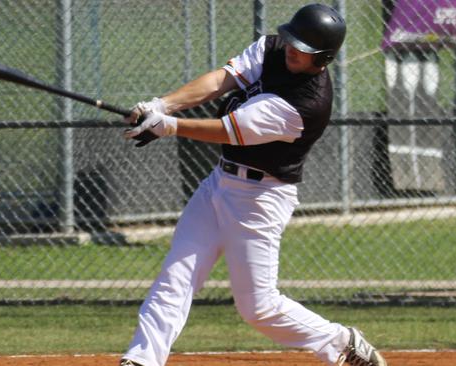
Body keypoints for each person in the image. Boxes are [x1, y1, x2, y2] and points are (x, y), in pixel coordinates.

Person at [120, 3, 387, 366]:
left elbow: (232, 130)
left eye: (304, 49)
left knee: (257, 308)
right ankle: (142, 359)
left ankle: (339, 341)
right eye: (292, 40)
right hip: (220, 181)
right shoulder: (273, 48)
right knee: (176, 276)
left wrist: (171, 126)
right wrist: (162, 104)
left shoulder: (307, 104)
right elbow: (220, 81)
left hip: (260, 198)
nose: (292, 49)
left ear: (322, 59)